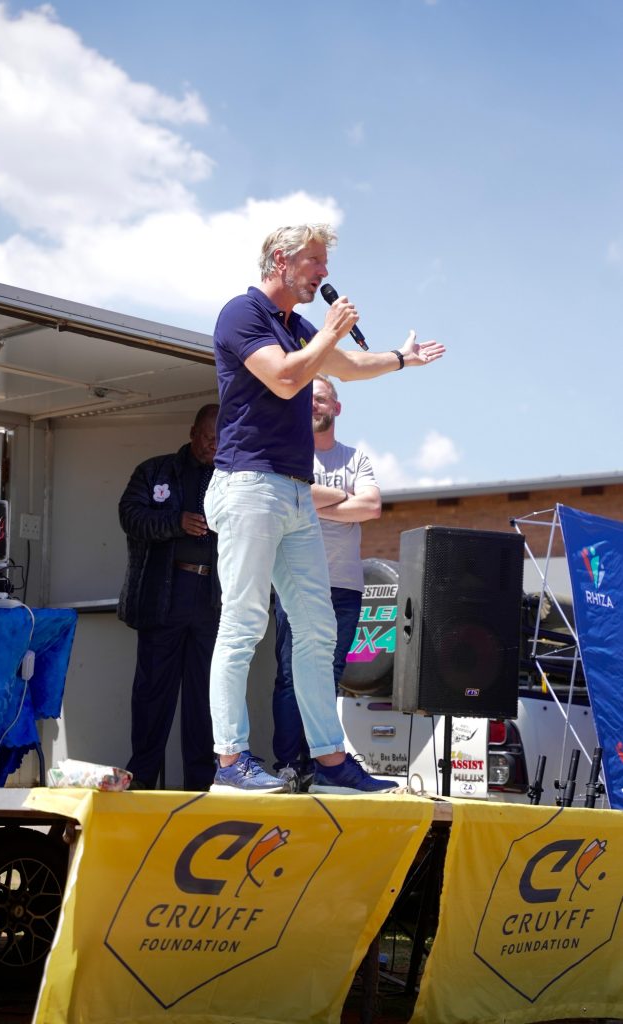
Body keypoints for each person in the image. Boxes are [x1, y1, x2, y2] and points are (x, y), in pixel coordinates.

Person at [204, 223, 445, 795]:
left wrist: (399, 359)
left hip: (292, 492)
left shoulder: (298, 327)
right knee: (243, 624)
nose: (322, 273)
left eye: (323, 262)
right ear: (281, 261)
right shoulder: (242, 315)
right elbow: (288, 380)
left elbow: (346, 368)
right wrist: (329, 334)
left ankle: (330, 763)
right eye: (313, 261)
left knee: (316, 633)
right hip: (249, 484)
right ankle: (230, 760)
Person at [273, 374, 381, 790]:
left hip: (345, 587)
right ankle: (289, 765)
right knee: (288, 676)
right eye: (307, 400)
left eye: (321, 399)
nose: (313, 405)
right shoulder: (288, 456)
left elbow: (371, 507)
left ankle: (322, 765)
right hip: (296, 583)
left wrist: (314, 499)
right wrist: (342, 500)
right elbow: (289, 500)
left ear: (337, 407)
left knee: (328, 676)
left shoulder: (356, 459)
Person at [118, 404, 220, 791]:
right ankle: (143, 778)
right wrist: (174, 523)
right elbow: (129, 515)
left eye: (221, 438)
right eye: (209, 436)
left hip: (211, 598)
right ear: (193, 432)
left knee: (204, 696)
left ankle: (200, 782)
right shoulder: (155, 470)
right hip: (164, 594)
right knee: (153, 692)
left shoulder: (231, 477)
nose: (214, 444)